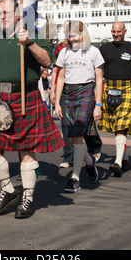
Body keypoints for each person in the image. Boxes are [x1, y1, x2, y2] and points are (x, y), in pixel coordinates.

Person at [0, 0, 64, 219]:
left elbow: (48, 62)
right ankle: (8, 189)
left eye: (7, 13)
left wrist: (30, 43)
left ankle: (28, 198)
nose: (2, 17)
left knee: (26, 149)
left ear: (19, 15)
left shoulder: (33, 35)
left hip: (26, 97)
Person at [55, 20, 104, 193]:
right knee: (71, 139)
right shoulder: (64, 52)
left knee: (77, 136)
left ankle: (75, 178)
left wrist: (98, 104)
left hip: (86, 92)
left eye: (74, 35)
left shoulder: (94, 52)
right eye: (69, 36)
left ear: (83, 34)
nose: (72, 39)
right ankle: (90, 162)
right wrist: (56, 102)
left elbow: (99, 79)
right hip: (69, 94)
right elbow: (60, 77)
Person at [98, 22, 131, 177]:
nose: (116, 34)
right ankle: (124, 159)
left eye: (119, 31)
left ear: (125, 31)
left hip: (126, 89)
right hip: (108, 88)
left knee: (122, 125)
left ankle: (118, 162)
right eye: (113, 31)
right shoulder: (103, 49)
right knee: (115, 125)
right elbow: (99, 71)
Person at [50, 40, 74, 169]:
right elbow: (55, 71)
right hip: (63, 90)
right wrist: (53, 91)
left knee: (83, 124)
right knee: (65, 124)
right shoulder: (59, 47)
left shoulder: (84, 46)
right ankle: (69, 156)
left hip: (80, 89)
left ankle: (91, 150)